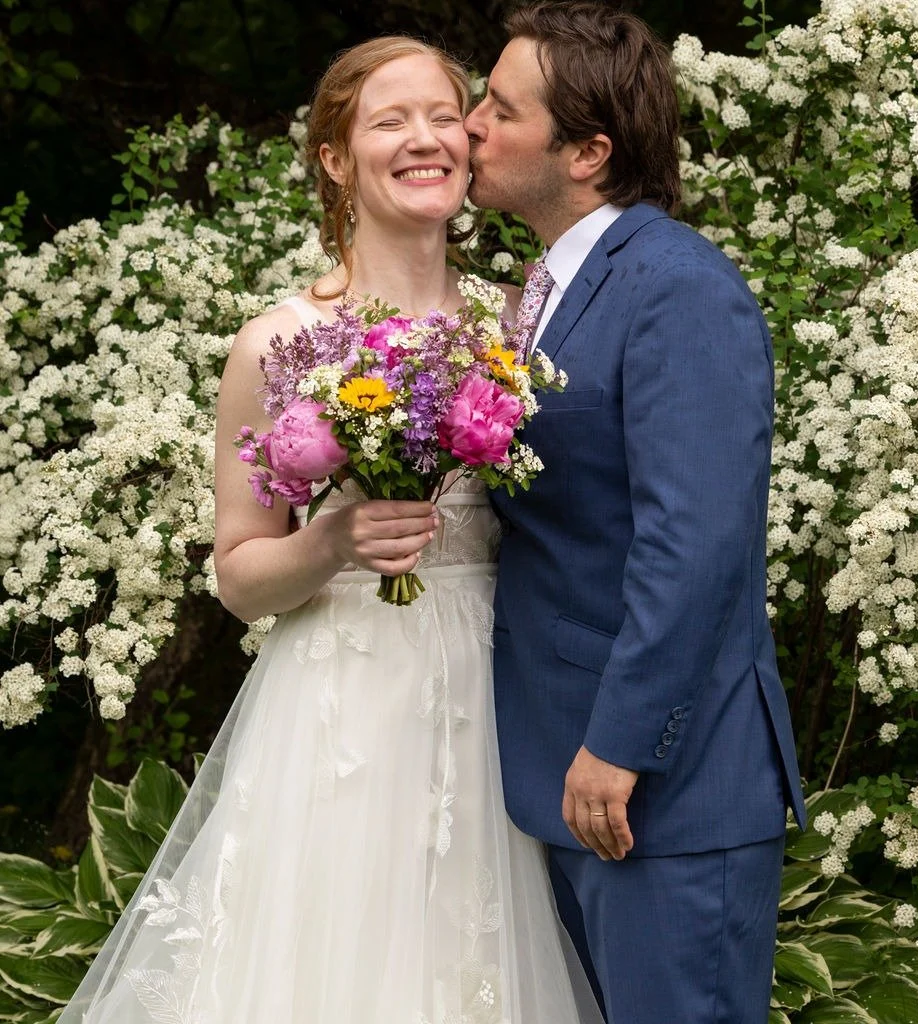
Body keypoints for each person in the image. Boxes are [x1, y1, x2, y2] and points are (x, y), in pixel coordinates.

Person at [57, 36, 601, 1024]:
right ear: (336, 159)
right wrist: (332, 540)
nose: (425, 138)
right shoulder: (274, 343)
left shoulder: (518, 324)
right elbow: (238, 574)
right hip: (337, 709)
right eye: (389, 121)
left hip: (495, 698)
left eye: (445, 116)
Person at [465, 4, 808, 1023]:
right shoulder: (549, 288)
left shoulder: (676, 290)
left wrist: (619, 746)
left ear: (587, 152)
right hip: (568, 777)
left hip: (658, 790)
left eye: (498, 106)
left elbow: (693, 545)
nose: (470, 123)